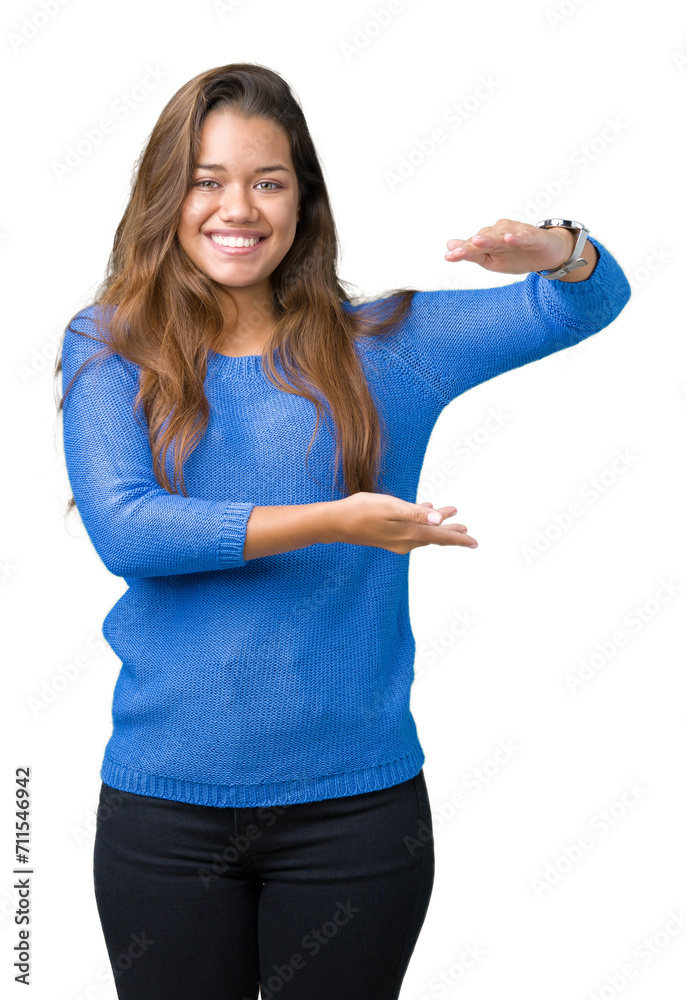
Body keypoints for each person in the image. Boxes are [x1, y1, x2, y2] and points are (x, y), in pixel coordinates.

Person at [55, 62, 631, 1000]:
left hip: (355, 819)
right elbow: (130, 531)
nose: (236, 207)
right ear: (166, 195)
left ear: (302, 199)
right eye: (206, 179)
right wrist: (338, 520)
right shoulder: (110, 343)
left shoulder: (384, 347)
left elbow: (586, 304)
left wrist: (557, 246)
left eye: (267, 181)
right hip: (165, 813)